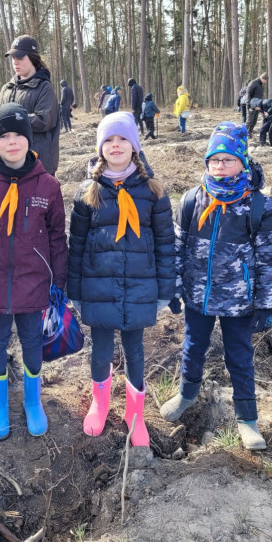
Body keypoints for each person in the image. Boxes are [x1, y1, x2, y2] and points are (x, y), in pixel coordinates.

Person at [160, 122, 272, 450]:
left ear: (242, 162)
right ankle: (186, 395)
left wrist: (267, 303)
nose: (219, 166)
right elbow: (177, 247)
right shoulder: (192, 200)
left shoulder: (261, 209)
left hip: (239, 301)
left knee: (239, 356)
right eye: (214, 160)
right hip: (197, 297)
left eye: (228, 160)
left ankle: (247, 419)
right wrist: (174, 288)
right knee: (193, 346)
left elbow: (271, 262)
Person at [67, 112, 175, 447]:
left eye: (122, 139)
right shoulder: (88, 192)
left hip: (140, 287)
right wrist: (76, 290)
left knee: (135, 351)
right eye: (109, 140)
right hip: (98, 287)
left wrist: (165, 290)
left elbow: (166, 243)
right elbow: (77, 245)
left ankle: (135, 413)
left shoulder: (154, 192)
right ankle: (100, 406)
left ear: (135, 146)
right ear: (100, 148)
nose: (116, 146)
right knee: (100, 352)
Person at [0, 104, 67, 439]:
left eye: (18, 135)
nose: (12, 142)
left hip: (33, 281)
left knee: (31, 340)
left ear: (28, 139)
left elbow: (56, 236)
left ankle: (32, 401)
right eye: (4, 136)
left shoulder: (47, 185)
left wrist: (59, 281)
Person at [0, 35, 60, 175]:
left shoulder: (44, 88)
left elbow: (44, 121)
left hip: (38, 162)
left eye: (20, 58)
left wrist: (12, 118)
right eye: (13, 58)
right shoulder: (6, 89)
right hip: (10, 161)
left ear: (32, 58)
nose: (15, 62)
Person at [245, 73, 267, 137]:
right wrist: (248, 104)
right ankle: (243, 134)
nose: (266, 82)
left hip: (258, 105)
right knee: (249, 121)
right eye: (265, 80)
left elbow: (260, 95)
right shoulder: (253, 83)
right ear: (262, 78)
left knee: (254, 121)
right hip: (251, 105)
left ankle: (249, 133)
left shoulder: (261, 85)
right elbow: (248, 93)